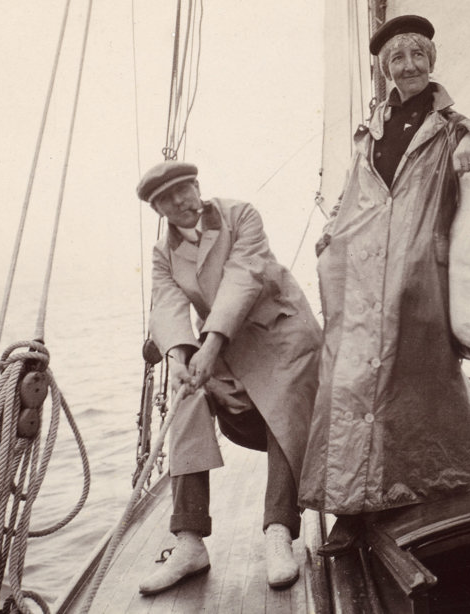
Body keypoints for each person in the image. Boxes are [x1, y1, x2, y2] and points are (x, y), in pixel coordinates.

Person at [298, 15, 470, 554]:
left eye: (417, 55)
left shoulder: (449, 126)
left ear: (431, 61)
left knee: (417, 383)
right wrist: (330, 236)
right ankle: (350, 509)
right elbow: (354, 196)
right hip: (361, 273)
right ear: (385, 69)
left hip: (417, 273)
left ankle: (428, 491)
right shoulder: (368, 130)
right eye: (398, 58)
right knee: (348, 388)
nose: (409, 66)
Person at [136, 160, 321, 594]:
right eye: (167, 199)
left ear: (198, 186)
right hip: (226, 348)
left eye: (185, 190)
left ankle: (279, 532)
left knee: (284, 400)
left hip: (283, 338)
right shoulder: (164, 254)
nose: (180, 201)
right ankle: (188, 540)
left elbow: (244, 279)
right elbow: (165, 304)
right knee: (186, 398)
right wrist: (179, 358)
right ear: (158, 209)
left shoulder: (242, 216)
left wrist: (211, 346)